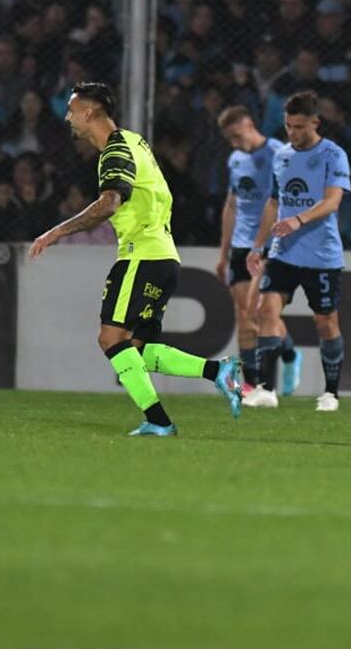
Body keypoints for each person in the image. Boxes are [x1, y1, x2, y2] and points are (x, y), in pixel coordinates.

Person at [28, 82, 241, 436]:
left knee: (110, 339)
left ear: (91, 112)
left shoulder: (115, 151)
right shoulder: (133, 140)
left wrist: (55, 232)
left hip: (142, 255)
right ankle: (217, 372)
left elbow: (110, 202)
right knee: (136, 351)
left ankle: (159, 421)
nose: (68, 117)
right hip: (162, 255)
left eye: (72, 109)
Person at [245, 91, 351, 412]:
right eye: (289, 126)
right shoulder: (282, 156)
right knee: (265, 311)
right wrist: (257, 246)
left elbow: (333, 201)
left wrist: (298, 220)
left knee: (326, 323)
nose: (292, 133)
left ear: (315, 123)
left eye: (300, 127)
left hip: (322, 256)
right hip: (283, 252)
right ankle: (266, 388)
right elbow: (274, 202)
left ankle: (331, 393)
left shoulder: (334, 155)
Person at [215, 106, 303, 397]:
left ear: (249, 123)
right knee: (245, 314)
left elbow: (290, 198)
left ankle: (273, 377)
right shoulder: (235, 159)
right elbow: (231, 205)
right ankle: (253, 384)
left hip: (270, 243)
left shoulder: (279, 153)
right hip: (241, 244)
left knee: (257, 310)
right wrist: (223, 252)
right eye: (227, 138)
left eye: (235, 134)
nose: (233, 142)